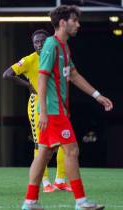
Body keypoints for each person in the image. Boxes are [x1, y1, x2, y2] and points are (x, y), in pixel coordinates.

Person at [22, 5, 113, 210]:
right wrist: (43, 111)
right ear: (63, 23)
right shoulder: (50, 46)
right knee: (72, 150)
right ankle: (81, 201)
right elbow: (42, 80)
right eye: (75, 21)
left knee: (44, 154)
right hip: (52, 112)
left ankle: (30, 201)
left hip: (56, 111)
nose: (78, 25)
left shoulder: (64, 46)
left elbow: (73, 75)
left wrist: (97, 96)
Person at [3, 29, 71, 193]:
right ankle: (46, 182)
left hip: (56, 104)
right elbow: (7, 74)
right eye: (36, 42)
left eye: (42, 41)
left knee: (64, 141)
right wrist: (28, 85)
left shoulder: (57, 57)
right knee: (41, 144)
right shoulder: (29, 60)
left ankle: (60, 180)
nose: (39, 44)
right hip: (37, 105)